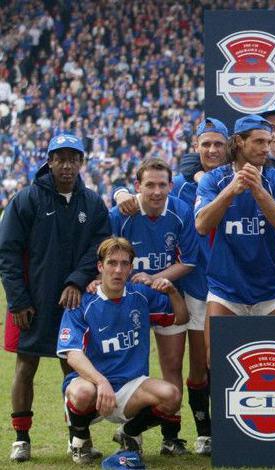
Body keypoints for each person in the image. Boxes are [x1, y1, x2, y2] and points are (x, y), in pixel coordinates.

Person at [0, 133, 109, 462]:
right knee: (25, 365)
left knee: (74, 369)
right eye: (59, 158)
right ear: (49, 161)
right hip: (31, 302)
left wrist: (77, 281)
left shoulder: (91, 202)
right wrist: (18, 300)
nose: (66, 165)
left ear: (82, 163)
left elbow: (99, 248)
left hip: (74, 304)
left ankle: (78, 439)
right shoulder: (26, 199)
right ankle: (21, 438)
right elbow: (7, 252)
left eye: (73, 159)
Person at [58, 237, 188, 464]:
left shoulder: (140, 295)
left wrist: (173, 292)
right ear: (100, 266)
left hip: (131, 387)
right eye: (111, 263)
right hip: (94, 387)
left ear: (131, 267)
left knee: (172, 396)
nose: (118, 270)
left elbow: (181, 317)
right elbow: (72, 354)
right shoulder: (83, 302)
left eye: (124, 264)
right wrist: (101, 382)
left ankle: (129, 432)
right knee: (80, 392)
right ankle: (80, 440)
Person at [108, 157, 199, 456]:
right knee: (128, 368)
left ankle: (170, 438)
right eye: (150, 185)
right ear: (138, 186)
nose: (157, 192)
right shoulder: (120, 214)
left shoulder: (180, 211)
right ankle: (121, 428)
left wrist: (153, 279)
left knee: (172, 366)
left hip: (165, 296)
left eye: (162, 185)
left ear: (171, 186)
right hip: (126, 301)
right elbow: (105, 259)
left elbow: (187, 260)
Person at [194, 114, 275, 361]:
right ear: (239, 142)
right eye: (259, 142)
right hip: (226, 289)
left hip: (271, 290)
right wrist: (230, 191)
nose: (266, 148)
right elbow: (201, 225)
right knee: (216, 363)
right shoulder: (214, 180)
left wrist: (259, 192)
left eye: (268, 142)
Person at [170, 117, 227, 456]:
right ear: (196, 147)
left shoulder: (237, 178)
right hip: (194, 286)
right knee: (198, 364)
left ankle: (230, 426)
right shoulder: (179, 183)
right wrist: (123, 192)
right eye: (206, 144)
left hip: (231, 286)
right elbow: (150, 192)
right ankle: (205, 431)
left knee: (225, 361)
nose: (211, 150)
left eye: (218, 143)